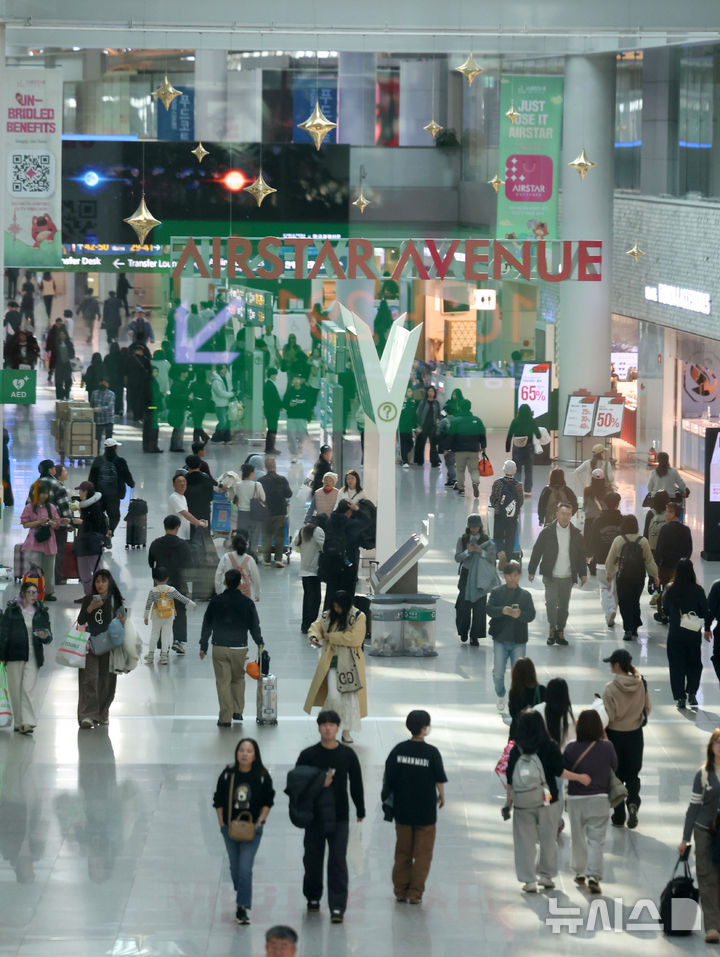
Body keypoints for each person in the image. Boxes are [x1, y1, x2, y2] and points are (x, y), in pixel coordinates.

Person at [506, 711, 591, 893]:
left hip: (522, 801)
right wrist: (580, 778)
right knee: (548, 839)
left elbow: (510, 779)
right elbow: (560, 772)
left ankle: (529, 880)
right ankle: (546, 876)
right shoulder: (549, 746)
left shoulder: (516, 748)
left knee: (524, 841)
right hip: (548, 798)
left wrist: (508, 802)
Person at [294, 710, 365, 922]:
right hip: (314, 817)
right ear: (318, 727)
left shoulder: (347, 755)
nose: (327, 728)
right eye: (324, 724)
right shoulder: (308, 755)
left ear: (337, 727)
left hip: (339, 816)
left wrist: (360, 809)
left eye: (332, 725)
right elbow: (297, 784)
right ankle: (313, 897)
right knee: (312, 859)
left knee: (337, 862)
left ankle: (337, 907)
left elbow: (356, 782)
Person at [381, 710, 447, 904]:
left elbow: (388, 779)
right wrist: (442, 796)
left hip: (403, 811)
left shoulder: (398, 750)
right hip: (426, 813)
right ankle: (415, 893)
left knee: (403, 853)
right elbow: (439, 779)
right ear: (425, 728)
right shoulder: (432, 752)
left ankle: (400, 891)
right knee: (423, 855)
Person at [213, 738, 275, 926]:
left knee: (245, 869)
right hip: (230, 828)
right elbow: (219, 799)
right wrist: (222, 823)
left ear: (255, 755)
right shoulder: (228, 774)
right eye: (241, 750)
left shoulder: (262, 776)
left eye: (249, 751)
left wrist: (261, 821)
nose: (245, 754)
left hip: (252, 831)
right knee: (235, 868)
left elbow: (268, 801)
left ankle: (242, 907)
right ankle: (242, 892)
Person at [563, 710, 618, 894]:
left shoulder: (571, 748)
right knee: (596, 840)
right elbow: (615, 766)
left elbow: (563, 770)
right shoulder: (607, 747)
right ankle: (593, 875)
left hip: (575, 798)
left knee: (578, 837)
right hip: (599, 799)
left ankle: (579, 871)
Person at [200, 568, 263, 726]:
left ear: (225, 582)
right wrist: (259, 642)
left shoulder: (216, 601)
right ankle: (238, 711)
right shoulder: (247, 603)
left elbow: (207, 623)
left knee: (223, 682)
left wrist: (203, 644)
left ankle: (225, 717)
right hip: (239, 647)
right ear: (240, 583)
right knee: (238, 678)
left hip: (220, 646)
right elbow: (254, 625)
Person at [305, 591, 367, 744]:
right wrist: (313, 636)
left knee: (349, 699)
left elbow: (355, 639)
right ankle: (327, 724)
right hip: (332, 662)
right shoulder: (329, 615)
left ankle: (346, 731)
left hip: (351, 664)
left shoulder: (359, 616)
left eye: (339, 607)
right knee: (333, 696)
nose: (336, 609)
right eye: (334, 606)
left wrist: (330, 637)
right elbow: (317, 625)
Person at [601, 648, 651, 829]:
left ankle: (619, 815)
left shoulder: (610, 688)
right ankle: (633, 803)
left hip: (615, 735)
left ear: (616, 665)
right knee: (632, 774)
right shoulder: (641, 683)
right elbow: (648, 708)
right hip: (635, 735)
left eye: (611, 663)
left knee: (615, 776)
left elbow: (609, 715)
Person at [678, 729, 720, 944]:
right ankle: (712, 926)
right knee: (707, 876)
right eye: (718, 742)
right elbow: (693, 808)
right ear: (711, 746)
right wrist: (685, 838)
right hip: (704, 829)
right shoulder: (703, 774)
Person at [528, 502, 587, 647]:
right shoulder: (548, 532)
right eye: (563, 513)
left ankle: (560, 630)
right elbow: (537, 551)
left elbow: (580, 555)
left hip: (567, 576)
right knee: (551, 603)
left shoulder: (576, 534)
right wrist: (531, 570)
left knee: (564, 606)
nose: (565, 517)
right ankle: (552, 628)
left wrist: (583, 573)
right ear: (557, 514)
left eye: (568, 514)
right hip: (551, 575)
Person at [76, 570, 126, 729]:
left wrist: (122, 620)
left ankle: (103, 712)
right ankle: (87, 715)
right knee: (89, 679)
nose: (100, 585)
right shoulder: (89, 600)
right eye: (97, 581)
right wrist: (90, 607)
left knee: (107, 681)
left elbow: (122, 623)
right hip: (90, 645)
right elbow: (81, 620)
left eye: (103, 581)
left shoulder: (115, 601)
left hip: (109, 646)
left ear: (109, 582)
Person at [0, 581, 52, 734]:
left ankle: (28, 722)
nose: (33, 596)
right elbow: (3, 633)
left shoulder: (42, 611)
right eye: (30, 592)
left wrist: (45, 636)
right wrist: (2, 654)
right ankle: (18, 722)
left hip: (33, 653)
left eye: (35, 592)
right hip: (14, 654)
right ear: (22, 594)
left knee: (28, 688)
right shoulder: (12, 611)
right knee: (15, 689)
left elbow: (49, 637)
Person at [487, 561, 536, 713]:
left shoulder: (526, 595)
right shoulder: (496, 592)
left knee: (520, 675)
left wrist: (520, 615)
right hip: (500, 639)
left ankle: (518, 701)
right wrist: (503, 611)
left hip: (519, 640)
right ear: (504, 576)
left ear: (519, 576)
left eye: (515, 575)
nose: (512, 579)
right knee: (498, 673)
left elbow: (531, 615)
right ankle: (500, 694)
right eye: (509, 575)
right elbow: (489, 610)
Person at [604, 514, 658, 640]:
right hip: (638, 577)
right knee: (635, 601)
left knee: (624, 602)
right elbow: (649, 561)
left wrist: (609, 573)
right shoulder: (643, 541)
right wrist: (655, 575)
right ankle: (634, 626)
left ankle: (628, 629)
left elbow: (610, 559)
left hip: (622, 576)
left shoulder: (619, 540)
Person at [663, 557, 708, 710]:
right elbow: (703, 612)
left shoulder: (670, 588)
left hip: (675, 632)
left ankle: (680, 697)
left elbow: (665, 610)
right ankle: (693, 693)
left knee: (676, 665)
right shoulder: (698, 590)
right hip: (693, 632)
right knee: (695, 663)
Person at [148, 515, 193, 655]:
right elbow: (189, 565)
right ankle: (178, 641)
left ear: (164, 526)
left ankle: (162, 644)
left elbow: (151, 563)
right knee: (179, 610)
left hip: (160, 583)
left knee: (161, 612)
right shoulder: (184, 545)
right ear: (178, 527)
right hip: (179, 583)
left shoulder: (155, 543)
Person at [454, 515, 497, 646]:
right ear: (468, 527)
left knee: (479, 607)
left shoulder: (486, 540)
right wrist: (468, 551)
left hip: (480, 575)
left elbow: (492, 558)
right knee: (463, 606)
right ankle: (463, 631)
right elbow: (457, 557)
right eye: (472, 527)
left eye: (477, 527)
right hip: (466, 575)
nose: (474, 529)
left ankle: (475, 636)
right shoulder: (462, 540)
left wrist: (480, 551)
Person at [143, 566, 196, 666]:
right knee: (166, 635)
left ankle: (150, 655)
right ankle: (164, 657)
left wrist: (145, 617)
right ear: (167, 578)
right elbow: (181, 598)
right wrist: (192, 603)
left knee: (154, 634)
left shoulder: (153, 591)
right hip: (169, 615)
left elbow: (148, 604)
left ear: (154, 579)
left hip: (156, 615)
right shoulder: (171, 590)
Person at [587, 491, 623, 627]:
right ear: (618, 504)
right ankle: (613, 609)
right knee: (615, 588)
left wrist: (590, 554)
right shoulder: (622, 520)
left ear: (604, 504)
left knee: (604, 587)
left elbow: (593, 539)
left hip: (602, 560)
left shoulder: (598, 520)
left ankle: (609, 611)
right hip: (619, 560)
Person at [20, 481, 60, 601]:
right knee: (34, 569)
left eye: (46, 493)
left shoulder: (51, 507)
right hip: (34, 542)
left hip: (49, 541)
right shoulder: (29, 507)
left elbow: (57, 524)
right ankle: (32, 593)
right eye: (41, 493)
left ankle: (47, 593)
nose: (44, 496)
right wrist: (39, 522)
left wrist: (53, 523)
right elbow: (25, 524)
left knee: (48, 568)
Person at [654, 501, 694, 624]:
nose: (665, 514)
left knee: (665, 590)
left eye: (667, 511)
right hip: (681, 567)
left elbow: (659, 549)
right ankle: (679, 614)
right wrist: (684, 562)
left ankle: (664, 614)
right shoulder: (686, 529)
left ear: (672, 513)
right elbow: (689, 549)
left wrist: (658, 565)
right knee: (681, 590)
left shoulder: (665, 529)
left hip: (666, 567)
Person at [88, 438, 135, 540]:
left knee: (98, 516)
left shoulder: (98, 460)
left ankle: (100, 534)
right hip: (114, 495)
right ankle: (109, 533)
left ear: (105, 448)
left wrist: (91, 492)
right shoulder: (120, 461)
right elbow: (126, 475)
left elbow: (91, 478)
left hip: (98, 495)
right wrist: (131, 484)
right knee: (114, 517)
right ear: (115, 448)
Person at [71, 480, 107, 594]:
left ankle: (101, 594)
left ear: (85, 491)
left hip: (92, 544)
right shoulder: (85, 506)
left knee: (97, 570)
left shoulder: (96, 507)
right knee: (84, 572)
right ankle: (88, 595)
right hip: (82, 544)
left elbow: (96, 525)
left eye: (80, 491)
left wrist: (81, 522)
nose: (79, 494)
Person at [258, 456, 292, 567]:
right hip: (280, 511)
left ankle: (266, 560)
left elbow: (257, 497)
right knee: (279, 536)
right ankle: (278, 559)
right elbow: (289, 494)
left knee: (266, 535)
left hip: (265, 512)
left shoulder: (260, 481)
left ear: (265, 467)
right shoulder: (282, 479)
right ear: (275, 466)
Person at [489, 460, 524, 565]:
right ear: (515, 471)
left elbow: (493, 498)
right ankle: (508, 559)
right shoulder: (518, 485)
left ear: (504, 469)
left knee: (498, 536)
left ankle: (500, 552)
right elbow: (520, 501)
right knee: (510, 537)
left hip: (500, 515)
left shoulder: (498, 483)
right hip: (512, 516)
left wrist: (497, 507)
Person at [296, 516, 327, 634]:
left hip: (304, 570)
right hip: (314, 570)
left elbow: (295, 543)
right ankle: (311, 624)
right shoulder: (318, 530)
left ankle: (305, 624)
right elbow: (324, 547)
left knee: (307, 598)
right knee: (315, 599)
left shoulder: (302, 530)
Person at [505, 403, 541, 496]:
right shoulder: (531, 421)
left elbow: (509, 435)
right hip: (528, 448)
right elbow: (538, 434)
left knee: (517, 470)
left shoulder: (515, 421)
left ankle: (517, 489)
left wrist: (507, 447)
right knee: (528, 470)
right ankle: (527, 491)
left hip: (517, 448)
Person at [507, 657, 546, 740]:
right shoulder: (542, 690)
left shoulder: (515, 692)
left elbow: (513, 714)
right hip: (537, 735)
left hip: (518, 735)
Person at [582, 468, 611, 575]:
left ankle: (591, 563)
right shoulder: (608, 490)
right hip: (603, 520)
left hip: (590, 520)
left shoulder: (587, 490)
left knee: (589, 542)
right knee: (601, 541)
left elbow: (585, 505)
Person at [214, 535, 261, 602]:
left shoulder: (226, 557)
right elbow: (256, 578)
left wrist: (218, 591)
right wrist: (257, 594)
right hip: (245, 594)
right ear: (245, 545)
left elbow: (218, 575)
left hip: (229, 592)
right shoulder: (250, 559)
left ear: (233, 545)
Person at [232, 462, 265, 551]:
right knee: (254, 537)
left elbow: (236, 497)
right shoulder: (257, 485)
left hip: (242, 514)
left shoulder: (238, 485)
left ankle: (241, 554)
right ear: (251, 473)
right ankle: (253, 555)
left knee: (242, 537)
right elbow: (263, 498)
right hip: (255, 513)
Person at [168, 472, 208, 542]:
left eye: (184, 481)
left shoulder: (183, 497)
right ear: (174, 485)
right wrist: (198, 523)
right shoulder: (174, 497)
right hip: (177, 536)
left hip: (184, 535)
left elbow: (184, 518)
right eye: (179, 482)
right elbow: (185, 514)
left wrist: (196, 522)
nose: (182, 484)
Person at [283, 375, 313, 462]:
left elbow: (309, 405)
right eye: (294, 379)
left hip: (302, 417)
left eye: (298, 379)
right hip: (291, 417)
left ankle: (299, 450)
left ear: (300, 381)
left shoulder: (305, 391)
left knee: (302, 436)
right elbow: (284, 403)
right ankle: (293, 454)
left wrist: (309, 417)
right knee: (291, 436)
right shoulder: (289, 391)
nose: (296, 381)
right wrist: (289, 405)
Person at [184, 454, 214, 534]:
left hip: (189, 513)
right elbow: (211, 497)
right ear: (200, 465)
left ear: (187, 466)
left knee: (190, 535)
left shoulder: (184, 480)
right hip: (204, 512)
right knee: (204, 537)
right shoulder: (206, 478)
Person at [413, 385, 441, 467]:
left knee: (433, 444)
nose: (430, 393)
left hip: (433, 426)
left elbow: (439, 413)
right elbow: (418, 413)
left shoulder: (436, 403)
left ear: (434, 393)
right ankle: (419, 460)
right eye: (429, 391)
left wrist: (438, 420)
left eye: (432, 391)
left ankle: (435, 461)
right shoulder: (423, 402)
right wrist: (418, 424)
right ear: (427, 392)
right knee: (420, 443)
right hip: (423, 426)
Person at [209, 364, 235, 445]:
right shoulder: (216, 381)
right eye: (223, 369)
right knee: (222, 421)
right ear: (219, 370)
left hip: (226, 403)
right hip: (220, 404)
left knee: (227, 421)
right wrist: (231, 394)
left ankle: (227, 438)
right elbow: (220, 393)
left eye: (225, 369)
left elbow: (229, 387)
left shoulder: (225, 378)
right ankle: (216, 438)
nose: (225, 370)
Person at [48, 325, 75, 400]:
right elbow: (53, 356)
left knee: (67, 381)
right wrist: (51, 367)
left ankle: (66, 394)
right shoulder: (56, 344)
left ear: (66, 335)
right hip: (59, 365)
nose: (62, 336)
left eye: (63, 334)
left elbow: (72, 354)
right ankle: (60, 396)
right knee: (59, 382)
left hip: (67, 365)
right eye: (61, 335)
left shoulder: (69, 344)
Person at [90, 378, 116, 454]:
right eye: (102, 383)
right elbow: (91, 405)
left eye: (105, 383)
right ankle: (97, 454)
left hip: (108, 420)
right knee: (97, 439)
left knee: (109, 440)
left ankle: (108, 453)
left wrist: (98, 409)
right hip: (98, 420)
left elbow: (109, 407)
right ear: (99, 383)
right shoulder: (94, 393)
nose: (103, 385)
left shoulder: (111, 394)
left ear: (108, 384)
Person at [167, 367, 190, 452]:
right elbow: (175, 396)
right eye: (186, 372)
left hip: (180, 407)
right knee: (179, 426)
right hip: (178, 408)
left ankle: (176, 446)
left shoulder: (180, 383)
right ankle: (177, 446)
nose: (187, 374)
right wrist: (187, 397)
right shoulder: (178, 384)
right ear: (182, 373)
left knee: (178, 427)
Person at [262, 367, 283, 454]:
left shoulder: (267, 385)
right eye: (275, 375)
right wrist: (281, 405)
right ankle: (271, 448)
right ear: (272, 375)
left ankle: (269, 448)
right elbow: (275, 399)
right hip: (272, 411)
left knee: (271, 429)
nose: (276, 377)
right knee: (273, 429)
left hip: (269, 410)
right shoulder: (270, 386)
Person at [398, 386, 418, 468]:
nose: (411, 393)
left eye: (411, 391)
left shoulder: (412, 403)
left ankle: (404, 455)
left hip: (409, 427)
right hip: (402, 427)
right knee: (402, 444)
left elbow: (414, 415)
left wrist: (415, 425)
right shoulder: (401, 403)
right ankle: (404, 461)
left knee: (410, 443)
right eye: (409, 391)